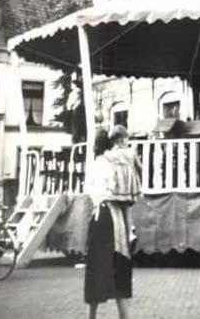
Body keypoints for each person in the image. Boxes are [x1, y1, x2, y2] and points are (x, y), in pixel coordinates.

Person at [84, 126, 141, 319]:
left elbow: (91, 192)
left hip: (99, 216)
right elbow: (125, 198)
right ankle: (124, 316)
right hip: (116, 218)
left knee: (96, 269)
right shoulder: (122, 161)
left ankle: (91, 315)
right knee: (120, 269)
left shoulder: (95, 164)